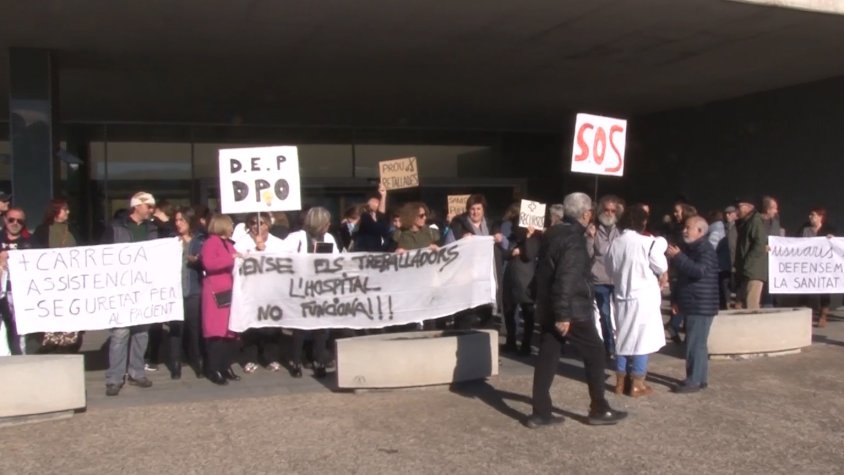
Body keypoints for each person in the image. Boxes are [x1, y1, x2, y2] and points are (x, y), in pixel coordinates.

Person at [527, 192, 627, 429]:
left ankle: (540, 413)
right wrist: (563, 315)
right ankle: (599, 408)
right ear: (586, 214)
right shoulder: (573, 239)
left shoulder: (554, 233)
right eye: (591, 211)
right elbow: (567, 277)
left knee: (548, 357)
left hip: (552, 305)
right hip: (571, 309)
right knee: (596, 353)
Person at [605, 204, 668, 397]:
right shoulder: (647, 243)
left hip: (622, 296)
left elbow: (609, 270)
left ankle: (620, 382)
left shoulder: (614, 244)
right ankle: (637, 383)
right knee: (642, 339)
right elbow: (660, 265)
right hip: (643, 297)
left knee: (623, 337)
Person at [102, 192, 159, 396]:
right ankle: (115, 378)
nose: (152, 210)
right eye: (149, 206)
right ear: (137, 206)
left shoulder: (153, 228)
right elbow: (103, 254)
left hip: (144, 287)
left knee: (141, 332)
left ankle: (136, 372)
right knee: (120, 333)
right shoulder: (116, 228)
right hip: (122, 288)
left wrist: (164, 220)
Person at [281, 207, 340, 378]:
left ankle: (319, 360)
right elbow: (282, 258)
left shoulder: (328, 238)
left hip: (321, 287)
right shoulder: (296, 238)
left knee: (321, 328)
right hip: (301, 287)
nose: (329, 225)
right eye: (327, 222)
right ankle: (295, 361)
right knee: (300, 327)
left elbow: (336, 259)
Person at [667, 216, 719, 393]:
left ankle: (694, 380)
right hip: (693, 302)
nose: (684, 231)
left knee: (695, 344)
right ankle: (699, 378)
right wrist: (676, 300)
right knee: (698, 343)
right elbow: (683, 278)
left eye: (688, 228)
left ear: (700, 231)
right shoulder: (691, 249)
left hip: (700, 304)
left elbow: (699, 271)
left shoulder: (705, 249)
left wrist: (679, 257)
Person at [235, 212, 285, 373]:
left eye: (261, 223)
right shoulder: (241, 243)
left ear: (268, 225)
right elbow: (236, 264)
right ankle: (250, 358)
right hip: (249, 292)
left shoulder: (279, 244)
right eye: (253, 223)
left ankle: (271, 357)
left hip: (271, 293)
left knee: (271, 327)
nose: (256, 226)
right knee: (250, 327)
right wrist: (255, 251)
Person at [30, 199, 81, 354]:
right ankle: (51, 344)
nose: (68, 212)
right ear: (55, 211)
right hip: (50, 282)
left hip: (70, 282)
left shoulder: (73, 229)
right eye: (64, 209)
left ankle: (69, 344)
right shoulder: (42, 231)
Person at [445, 193, 503, 328]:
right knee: (466, 318)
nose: (475, 212)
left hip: (486, 278)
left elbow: (505, 248)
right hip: (466, 279)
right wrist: (461, 241)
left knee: (486, 317)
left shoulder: (492, 226)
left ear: (483, 210)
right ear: (468, 210)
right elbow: (448, 248)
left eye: (478, 209)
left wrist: (501, 239)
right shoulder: (458, 226)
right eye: (472, 209)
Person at [200, 214, 241, 385]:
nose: (232, 228)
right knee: (216, 333)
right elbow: (209, 264)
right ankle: (214, 368)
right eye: (230, 225)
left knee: (228, 333)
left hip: (229, 290)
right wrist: (230, 258)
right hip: (215, 292)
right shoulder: (211, 243)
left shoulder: (228, 244)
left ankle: (225, 365)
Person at [587, 194, 624, 357]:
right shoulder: (593, 229)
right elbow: (587, 255)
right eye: (607, 210)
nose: (609, 213)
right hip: (599, 280)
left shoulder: (621, 232)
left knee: (620, 315)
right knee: (605, 315)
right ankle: (609, 347)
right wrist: (590, 238)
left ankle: (622, 346)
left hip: (617, 280)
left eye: (613, 211)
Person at [173, 206, 205, 379]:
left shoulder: (199, 240)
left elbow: (207, 262)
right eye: (176, 220)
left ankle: (197, 360)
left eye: (182, 220)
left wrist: (198, 261)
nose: (178, 223)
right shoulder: (172, 241)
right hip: (175, 291)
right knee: (176, 328)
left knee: (194, 327)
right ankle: (176, 363)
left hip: (193, 288)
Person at [501, 217, 540, 356]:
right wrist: (512, 252)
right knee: (509, 312)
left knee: (528, 313)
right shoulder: (512, 238)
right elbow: (504, 254)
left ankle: (526, 344)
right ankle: (510, 341)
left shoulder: (535, 239)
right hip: (511, 280)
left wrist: (528, 237)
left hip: (526, 281)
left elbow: (529, 255)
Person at [0, 207, 33, 354]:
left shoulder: (31, 242)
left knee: (19, 328)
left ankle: (20, 357)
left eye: (19, 221)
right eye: (11, 220)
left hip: (21, 292)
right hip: (2, 291)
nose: (15, 223)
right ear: (4, 220)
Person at [799, 207, 836, 327]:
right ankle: (804, 314)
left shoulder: (828, 229)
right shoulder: (804, 228)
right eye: (810, 215)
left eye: (813, 215)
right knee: (805, 288)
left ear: (820, 217)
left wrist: (833, 239)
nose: (810, 217)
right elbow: (795, 242)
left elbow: (837, 245)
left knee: (824, 289)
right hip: (808, 264)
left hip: (823, 265)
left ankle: (823, 315)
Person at [734, 197, 768, 310]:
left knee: (751, 304)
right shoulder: (745, 222)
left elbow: (759, 244)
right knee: (742, 303)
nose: (737, 210)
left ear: (749, 207)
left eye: (740, 207)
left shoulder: (755, 221)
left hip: (753, 270)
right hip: (747, 270)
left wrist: (748, 262)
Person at [354, 184, 391, 252]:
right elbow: (379, 228)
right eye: (377, 210)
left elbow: (381, 217)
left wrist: (383, 196)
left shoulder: (378, 219)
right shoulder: (365, 217)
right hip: (366, 252)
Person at [716, 206, 739, 309]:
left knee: (735, 283)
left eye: (730, 214)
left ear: (735, 214)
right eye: (726, 214)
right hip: (724, 262)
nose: (727, 216)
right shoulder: (722, 227)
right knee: (725, 283)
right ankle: (727, 303)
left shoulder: (738, 227)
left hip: (735, 260)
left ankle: (735, 302)